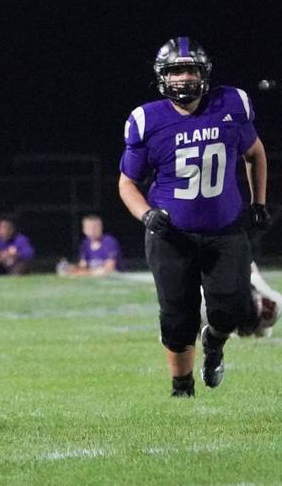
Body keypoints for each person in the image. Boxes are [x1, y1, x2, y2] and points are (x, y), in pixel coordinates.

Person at [118, 37, 268, 398]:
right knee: (176, 314)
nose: (183, 78)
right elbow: (127, 183)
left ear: (204, 73)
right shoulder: (146, 120)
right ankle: (181, 388)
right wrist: (147, 214)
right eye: (175, 71)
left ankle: (214, 343)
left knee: (231, 307)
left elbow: (255, 154)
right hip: (172, 234)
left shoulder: (232, 103)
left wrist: (259, 202)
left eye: (190, 70)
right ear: (162, 77)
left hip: (226, 229)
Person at [57, 214, 122, 277]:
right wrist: (72, 268)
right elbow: (83, 265)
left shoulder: (110, 242)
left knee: (101, 272)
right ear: (84, 230)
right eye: (89, 228)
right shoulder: (85, 244)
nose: (92, 231)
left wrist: (82, 273)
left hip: (110, 275)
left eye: (95, 227)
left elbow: (109, 268)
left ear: (101, 228)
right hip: (92, 274)